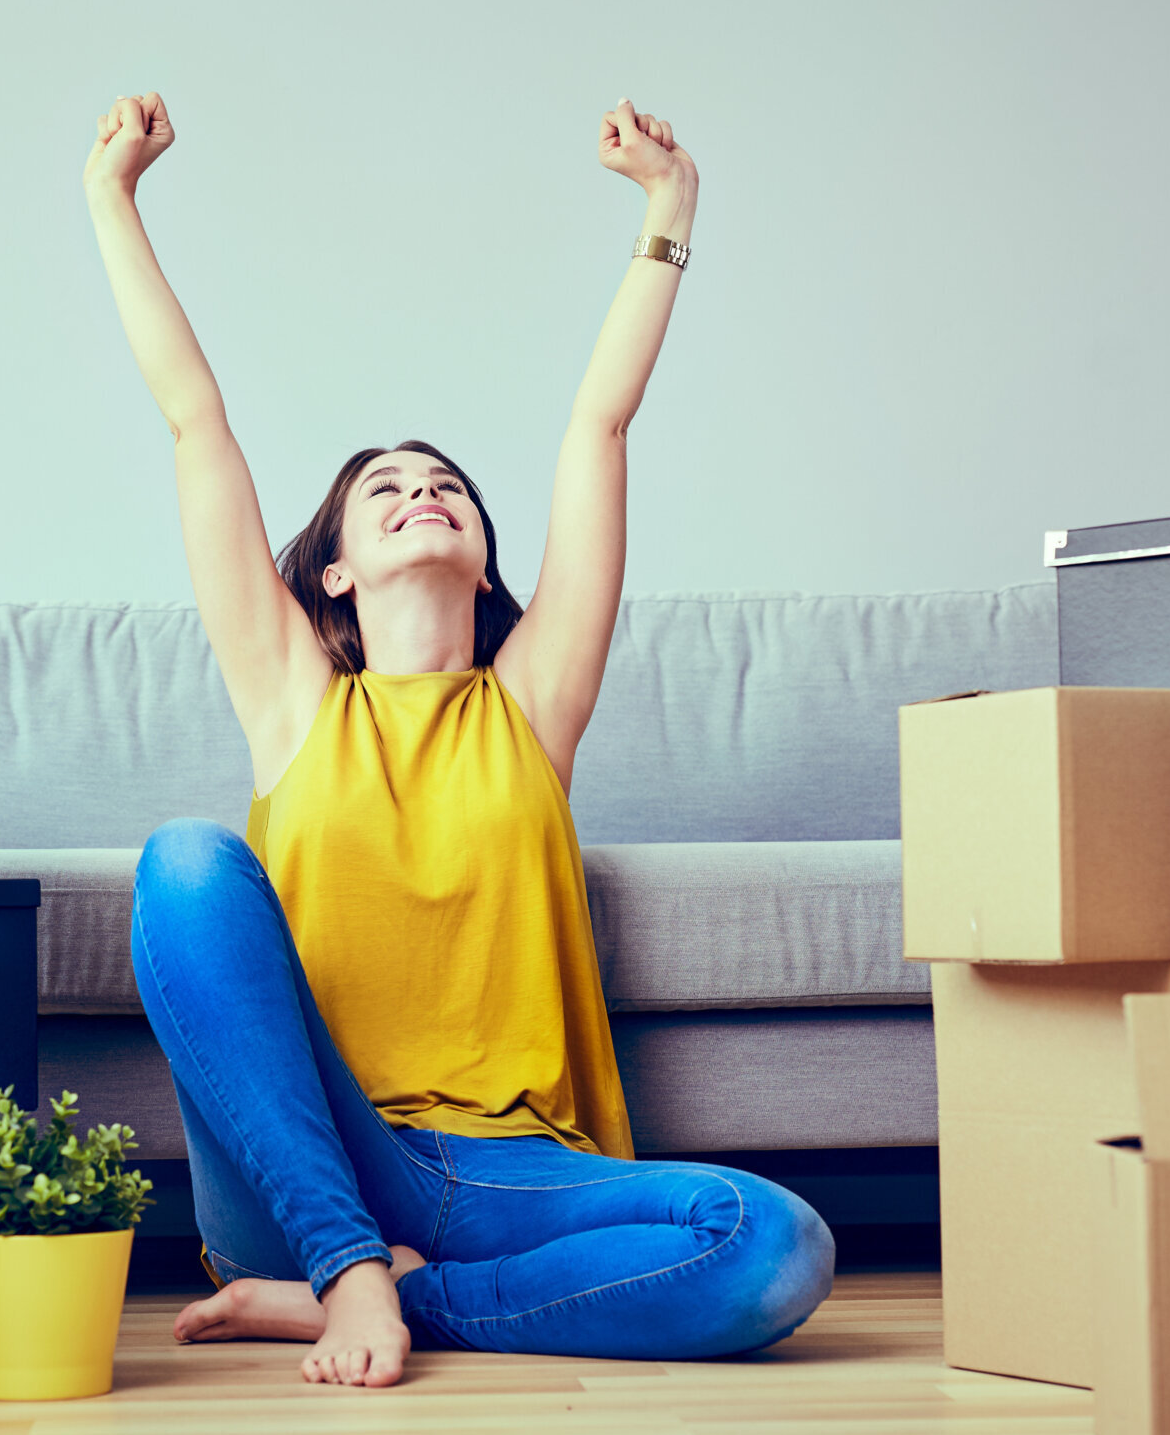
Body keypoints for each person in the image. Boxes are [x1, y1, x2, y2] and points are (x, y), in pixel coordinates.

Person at [82, 89, 833, 1390]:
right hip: (319, 1154)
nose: (426, 493)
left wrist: (670, 211)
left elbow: (597, 427)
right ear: (331, 576)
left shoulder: (534, 702)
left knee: (772, 1242)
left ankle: (412, 1301)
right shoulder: (292, 698)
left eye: (448, 488)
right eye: (388, 490)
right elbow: (194, 420)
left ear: (486, 563)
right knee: (187, 863)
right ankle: (345, 1265)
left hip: (508, 1173)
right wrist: (113, 199)